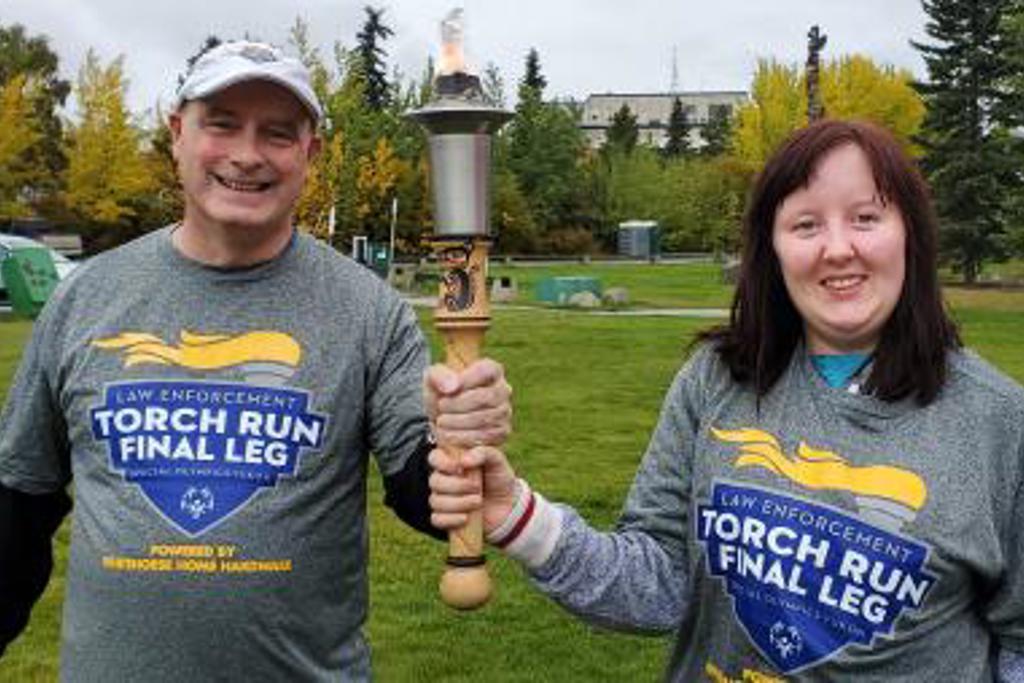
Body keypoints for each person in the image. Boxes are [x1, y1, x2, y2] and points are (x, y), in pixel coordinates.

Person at [429, 120, 1024, 681]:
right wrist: (515, 513)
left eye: (866, 217)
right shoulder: (716, 380)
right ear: (772, 248)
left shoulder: (998, 422)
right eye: (806, 225)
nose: (838, 248)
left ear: (911, 234)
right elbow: (659, 583)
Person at [0, 40, 511, 681]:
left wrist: (458, 436)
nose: (247, 154)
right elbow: (20, 503)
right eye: (222, 124)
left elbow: (423, 493)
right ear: (177, 133)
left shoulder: (367, 310)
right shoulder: (86, 297)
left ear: (310, 154)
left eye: (277, 133)